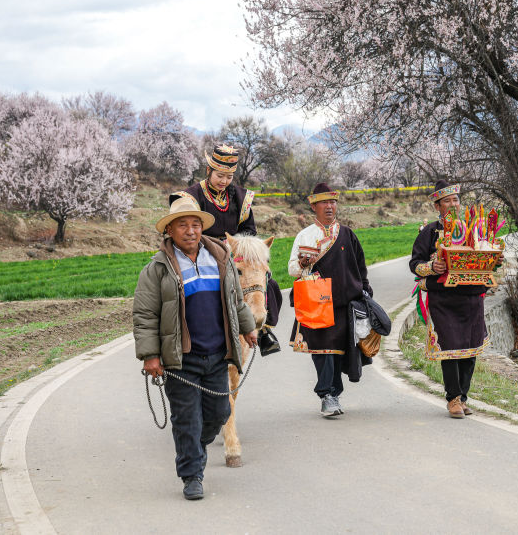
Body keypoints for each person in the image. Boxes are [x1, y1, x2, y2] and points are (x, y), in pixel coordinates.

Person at [133, 195, 258, 500]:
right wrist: (150, 355)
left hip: (217, 353)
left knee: (218, 413)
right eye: (182, 225)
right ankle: (191, 475)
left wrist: (247, 328)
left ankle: (195, 447)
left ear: (202, 227)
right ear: (170, 230)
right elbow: (145, 314)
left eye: (195, 224)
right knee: (187, 419)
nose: (190, 231)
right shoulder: (157, 269)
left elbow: (235, 300)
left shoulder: (220, 258)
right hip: (181, 358)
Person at [409, 181, 501, 419]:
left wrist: (493, 260)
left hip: (471, 297)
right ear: (437, 206)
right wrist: (433, 267)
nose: (452, 205)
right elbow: (415, 264)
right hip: (444, 300)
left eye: (455, 200)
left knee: (470, 349)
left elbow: (486, 255)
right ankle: (453, 398)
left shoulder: (474, 229)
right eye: (447, 201)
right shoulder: (429, 232)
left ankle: (463, 397)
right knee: (450, 349)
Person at [175, 143, 282, 329]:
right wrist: (218, 245)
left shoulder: (241, 198)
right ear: (208, 171)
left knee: (269, 283)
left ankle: (263, 330)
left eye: (229, 177)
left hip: (234, 254)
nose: (224, 181)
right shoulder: (192, 196)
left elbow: (249, 231)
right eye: (220, 175)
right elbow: (187, 231)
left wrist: (236, 246)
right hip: (201, 254)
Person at [288, 182, 372, 417]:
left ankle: (333, 393)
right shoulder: (305, 235)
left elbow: (360, 266)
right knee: (323, 350)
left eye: (333, 202)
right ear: (313, 206)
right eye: (324, 202)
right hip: (317, 304)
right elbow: (292, 269)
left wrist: (365, 290)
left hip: (344, 304)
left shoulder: (347, 234)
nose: (329, 207)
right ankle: (327, 395)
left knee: (337, 350)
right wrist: (304, 262)